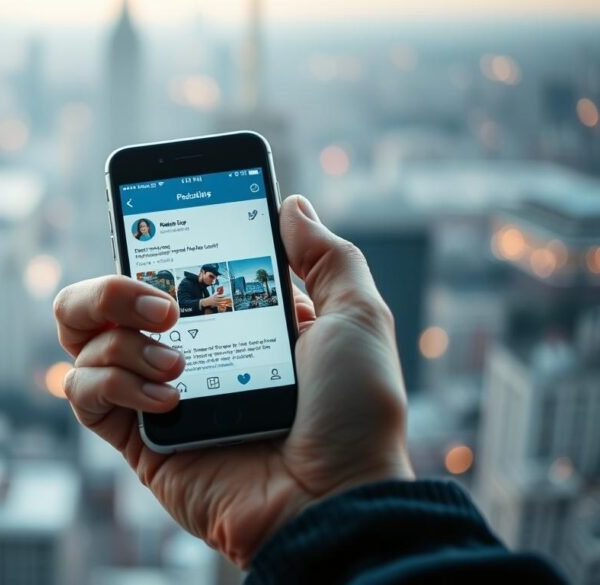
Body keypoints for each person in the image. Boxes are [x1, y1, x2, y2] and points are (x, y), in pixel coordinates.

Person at [52, 195, 567, 584]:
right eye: (210, 276)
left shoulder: (215, 291)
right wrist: (329, 507)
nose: (211, 281)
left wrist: (333, 495)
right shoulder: (190, 288)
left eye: (212, 277)